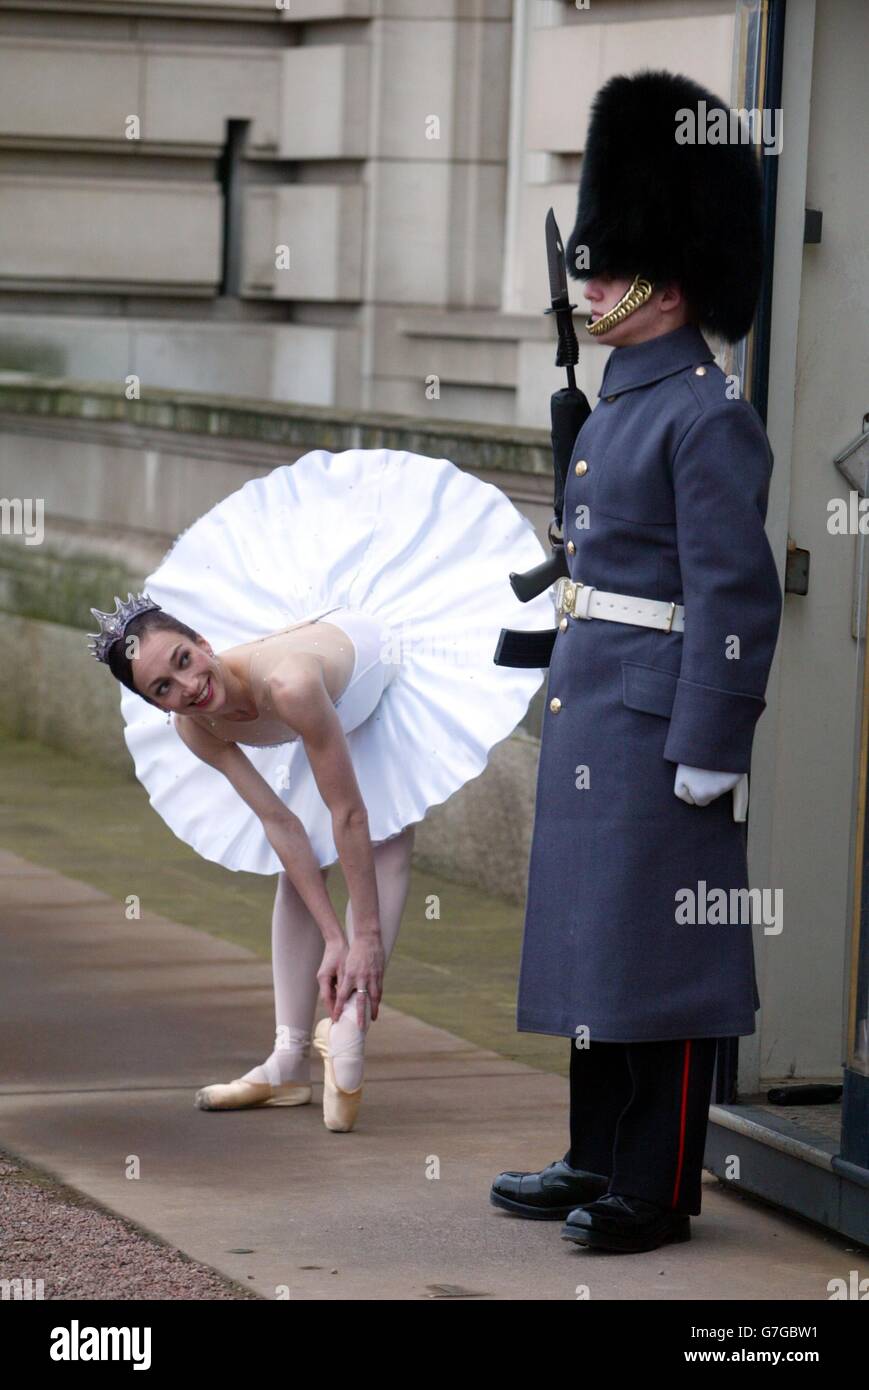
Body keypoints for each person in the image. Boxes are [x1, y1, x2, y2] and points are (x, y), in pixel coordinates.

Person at [489, 70, 784, 1252]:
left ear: (666, 279)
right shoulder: (622, 400)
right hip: (596, 705)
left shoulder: (707, 412)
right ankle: (591, 1153)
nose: (592, 284)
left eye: (608, 268)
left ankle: (655, 1183)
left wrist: (710, 743)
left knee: (654, 957)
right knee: (590, 945)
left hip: (661, 720)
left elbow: (734, 594)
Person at [88, 446, 552, 1132]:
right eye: (165, 687)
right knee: (296, 867)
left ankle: (351, 1024)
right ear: (158, 706)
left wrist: (360, 938)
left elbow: (349, 812)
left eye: (184, 660)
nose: (188, 686)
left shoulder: (289, 683)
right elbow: (280, 826)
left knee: (387, 840)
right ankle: (286, 1061)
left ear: (203, 640)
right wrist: (332, 934)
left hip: (381, 670)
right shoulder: (197, 728)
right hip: (318, 715)